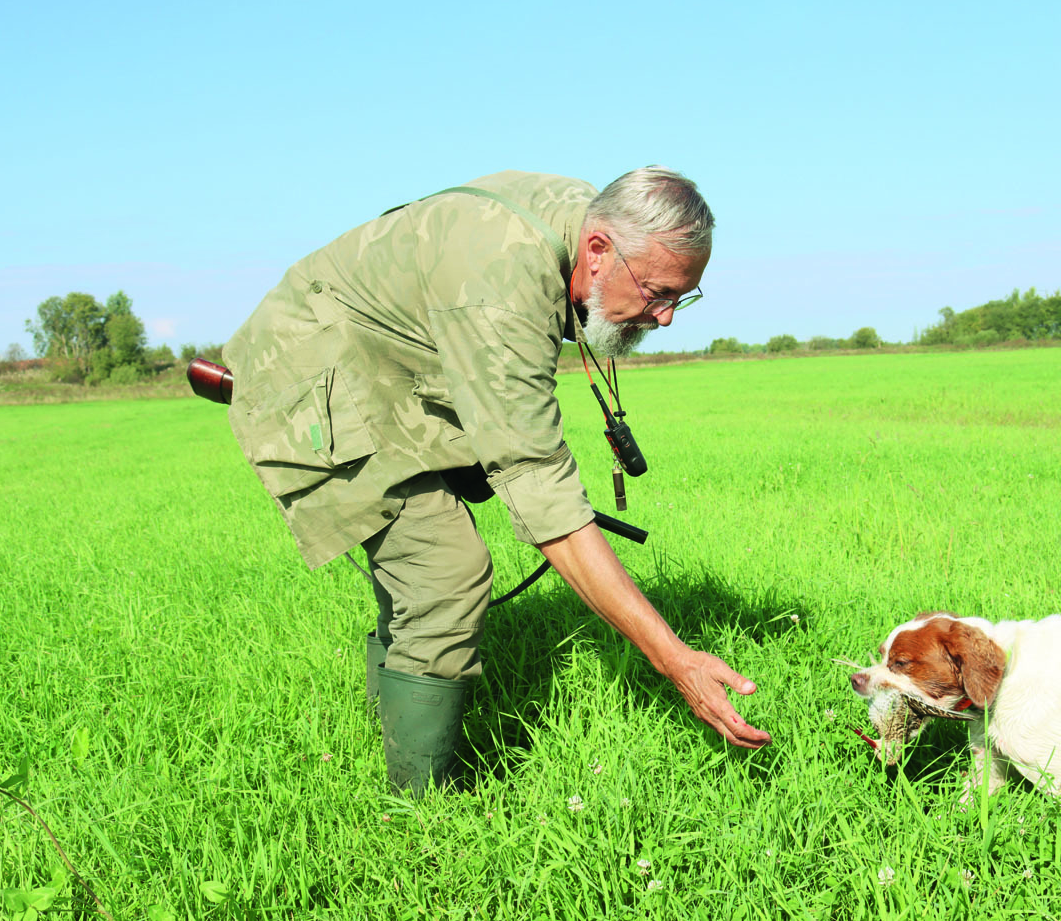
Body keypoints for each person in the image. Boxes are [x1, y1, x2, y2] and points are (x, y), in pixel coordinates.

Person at [222, 168, 770, 795]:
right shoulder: (502, 284)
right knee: (444, 571)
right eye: (658, 292)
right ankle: (420, 809)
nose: (666, 317)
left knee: (428, 571)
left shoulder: (585, 222)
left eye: (683, 297)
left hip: (383, 371)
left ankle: (397, 729)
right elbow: (539, 487)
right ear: (598, 253)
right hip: (311, 377)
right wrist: (676, 659)